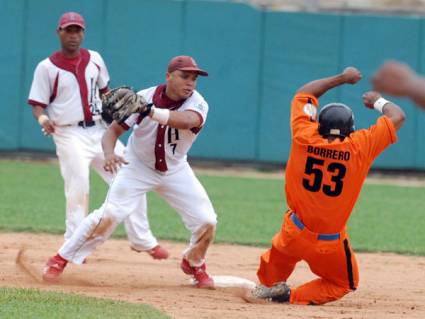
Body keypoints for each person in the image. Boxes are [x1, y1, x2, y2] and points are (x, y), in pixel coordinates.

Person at [41, 55, 218, 289]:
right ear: (168, 76)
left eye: (194, 78)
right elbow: (111, 133)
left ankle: (194, 263)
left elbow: (185, 121)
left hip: (175, 170)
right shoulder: (144, 97)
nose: (190, 83)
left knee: (207, 220)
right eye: (185, 76)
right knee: (109, 215)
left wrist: (149, 111)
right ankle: (60, 259)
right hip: (137, 167)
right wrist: (109, 153)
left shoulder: (197, 103)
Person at [246, 67, 405, 305]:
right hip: (329, 244)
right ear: (351, 129)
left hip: (293, 232)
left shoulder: (304, 135)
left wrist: (342, 78)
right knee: (344, 283)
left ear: (319, 124)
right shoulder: (359, 147)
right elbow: (398, 116)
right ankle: (291, 297)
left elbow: (304, 93)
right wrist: (377, 101)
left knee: (271, 276)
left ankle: (268, 286)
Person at [27, 12, 168, 260]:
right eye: (68, 30)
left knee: (130, 176)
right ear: (59, 32)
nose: (74, 35)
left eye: (78, 30)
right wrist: (43, 119)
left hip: (100, 130)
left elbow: (106, 92)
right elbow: (37, 103)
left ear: (83, 33)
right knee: (78, 187)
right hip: (68, 133)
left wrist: (115, 106)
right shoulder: (47, 68)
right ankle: (72, 246)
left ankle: (142, 239)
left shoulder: (95, 59)